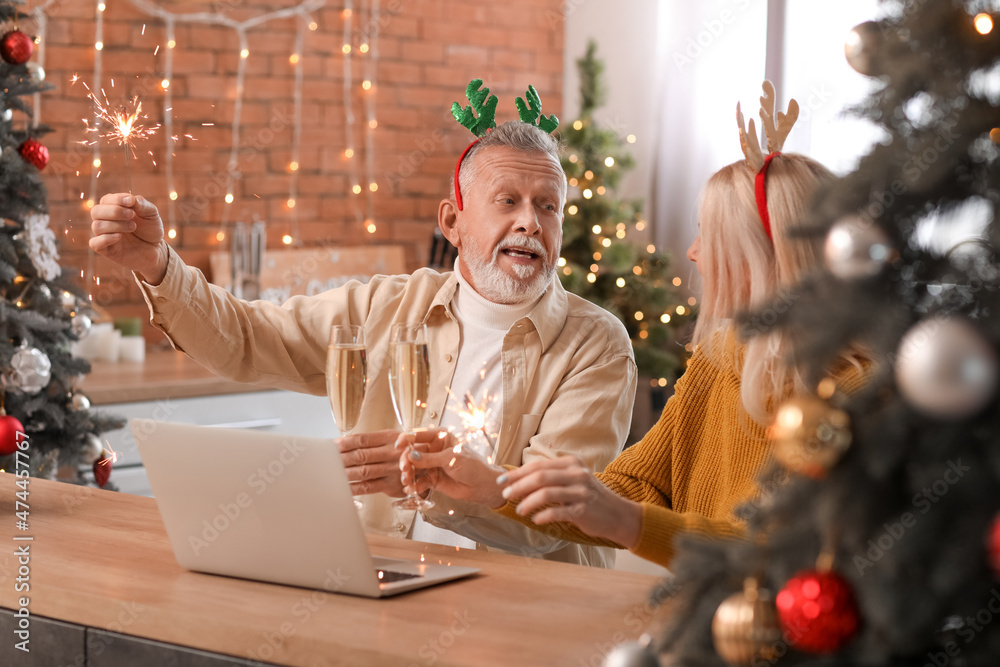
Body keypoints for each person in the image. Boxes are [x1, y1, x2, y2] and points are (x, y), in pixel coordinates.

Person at [89, 120, 637, 569]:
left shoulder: (597, 344)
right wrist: (159, 267)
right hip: (388, 585)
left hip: (529, 617)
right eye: (508, 201)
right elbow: (249, 340)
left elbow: (559, 519)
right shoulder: (384, 307)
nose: (530, 223)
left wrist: (452, 483)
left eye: (547, 206)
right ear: (453, 221)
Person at [400, 85, 870, 570]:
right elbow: (637, 485)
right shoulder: (721, 358)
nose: (692, 253)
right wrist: (496, 486)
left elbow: (784, 552)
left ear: (761, 259)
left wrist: (624, 520)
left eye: (709, 237)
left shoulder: (855, 392)